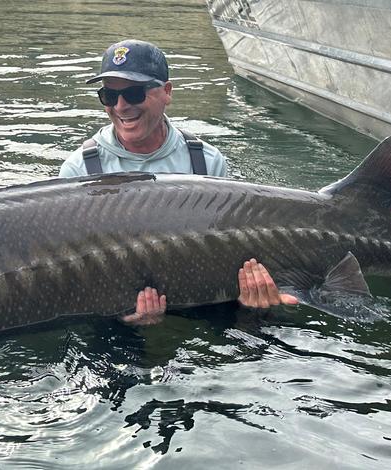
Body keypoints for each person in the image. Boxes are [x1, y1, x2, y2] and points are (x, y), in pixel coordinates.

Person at [62, 40, 297, 325]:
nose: (121, 106)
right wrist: (120, 314)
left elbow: (229, 247)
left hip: (199, 291)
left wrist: (251, 299)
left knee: (261, 329)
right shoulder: (80, 169)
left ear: (167, 92)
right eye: (109, 96)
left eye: (134, 94)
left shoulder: (205, 161)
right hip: (118, 307)